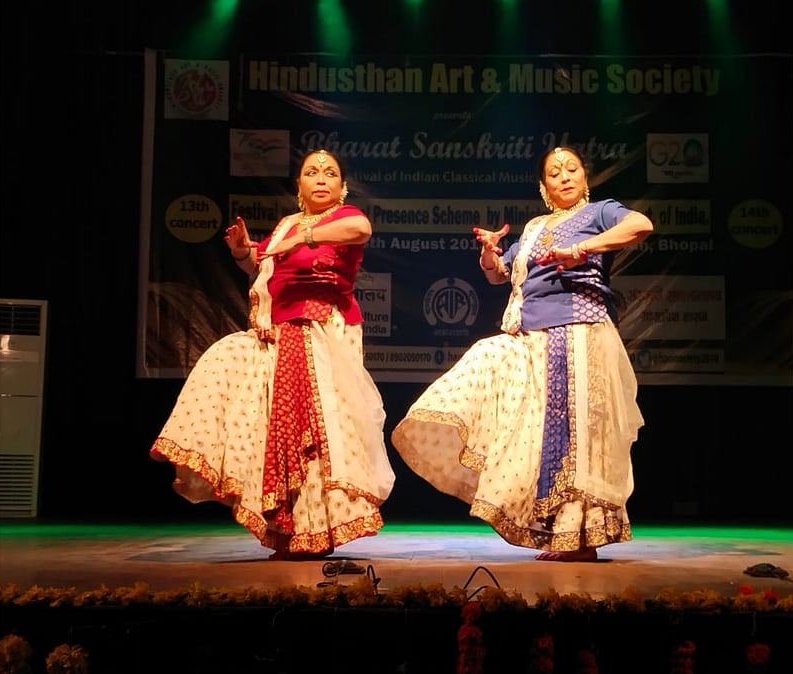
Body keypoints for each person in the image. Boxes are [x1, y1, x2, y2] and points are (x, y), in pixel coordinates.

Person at [391, 146, 653, 562]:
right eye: (554, 172)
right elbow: (499, 275)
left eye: (572, 169)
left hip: (579, 332)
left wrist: (582, 250)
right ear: (544, 186)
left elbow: (640, 225)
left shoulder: (600, 212)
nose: (564, 176)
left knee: (577, 437)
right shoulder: (535, 228)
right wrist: (490, 254)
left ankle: (580, 536)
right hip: (532, 338)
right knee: (535, 431)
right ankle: (558, 531)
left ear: (585, 178)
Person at [150, 148, 395, 560]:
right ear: (298, 187)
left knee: (317, 434)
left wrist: (307, 235)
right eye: (311, 172)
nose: (321, 178)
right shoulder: (285, 226)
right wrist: (243, 252)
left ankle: (317, 528)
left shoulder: (343, 218)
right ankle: (288, 527)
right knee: (254, 406)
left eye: (330, 173)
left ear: (342, 186)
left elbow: (361, 228)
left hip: (321, 334)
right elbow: (263, 266)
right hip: (279, 335)